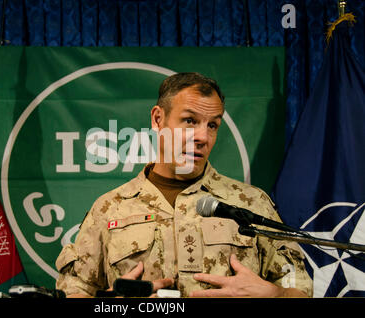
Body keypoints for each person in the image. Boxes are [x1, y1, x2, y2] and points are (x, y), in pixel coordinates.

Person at [55, 72, 313, 298]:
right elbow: (74, 289)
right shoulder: (109, 208)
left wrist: (275, 294)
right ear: (158, 120)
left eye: (212, 125)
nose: (203, 136)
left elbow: (300, 287)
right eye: (190, 121)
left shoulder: (250, 203)